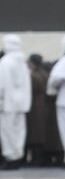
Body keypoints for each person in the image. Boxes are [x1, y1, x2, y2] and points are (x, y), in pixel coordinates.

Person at [0, 35, 32, 167]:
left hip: (8, 102)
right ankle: (17, 155)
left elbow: (2, 84)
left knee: (7, 131)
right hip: (21, 103)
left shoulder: (6, 62)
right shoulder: (21, 62)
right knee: (19, 131)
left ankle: (10, 157)